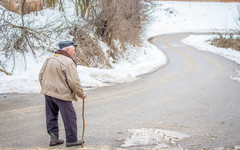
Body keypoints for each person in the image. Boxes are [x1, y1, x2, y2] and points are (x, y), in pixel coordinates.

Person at [39, 41, 86, 147]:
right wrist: (81, 93)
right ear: (68, 50)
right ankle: (72, 140)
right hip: (61, 93)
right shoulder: (68, 61)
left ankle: (54, 138)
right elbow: (74, 81)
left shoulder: (50, 58)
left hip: (48, 92)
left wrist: (45, 87)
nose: (74, 53)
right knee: (70, 116)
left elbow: (41, 75)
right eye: (73, 50)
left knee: (51, 115)